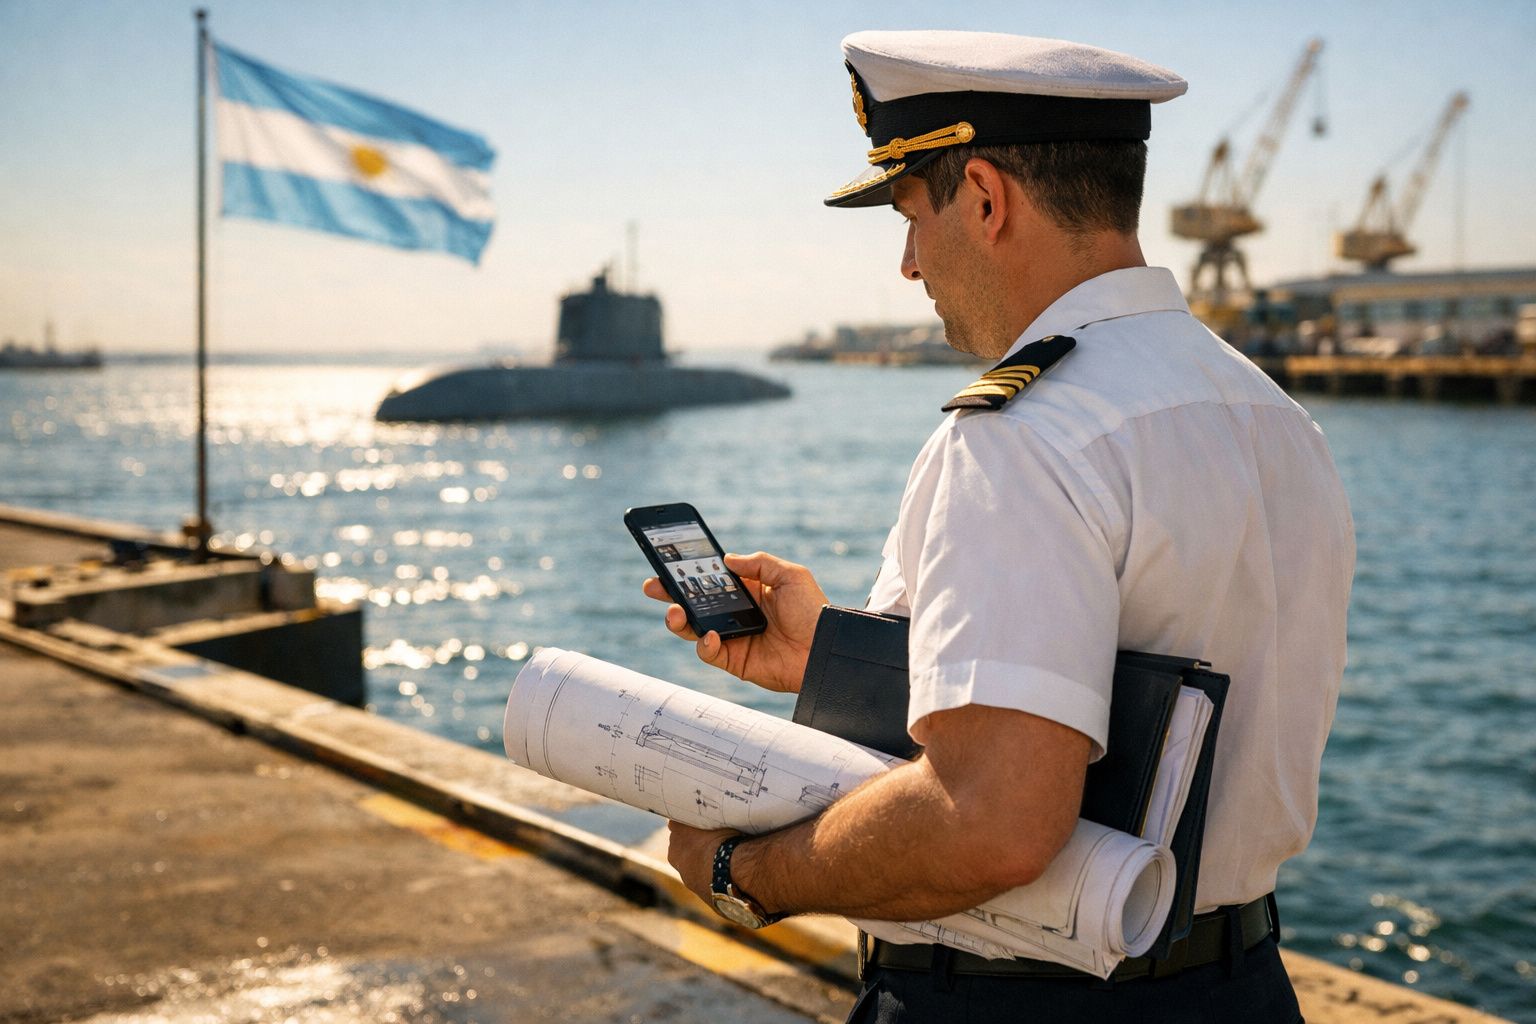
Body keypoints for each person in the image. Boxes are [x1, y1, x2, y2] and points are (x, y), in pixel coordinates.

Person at [643, 29, 1354, 1023]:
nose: (906, 264)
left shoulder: (1026, 434)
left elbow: (992, 824)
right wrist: (835, 659)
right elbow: (1118, 680)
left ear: (983, 197)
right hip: (1241, 989)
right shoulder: (1275, 418)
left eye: (909, 216)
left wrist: (745, 869)